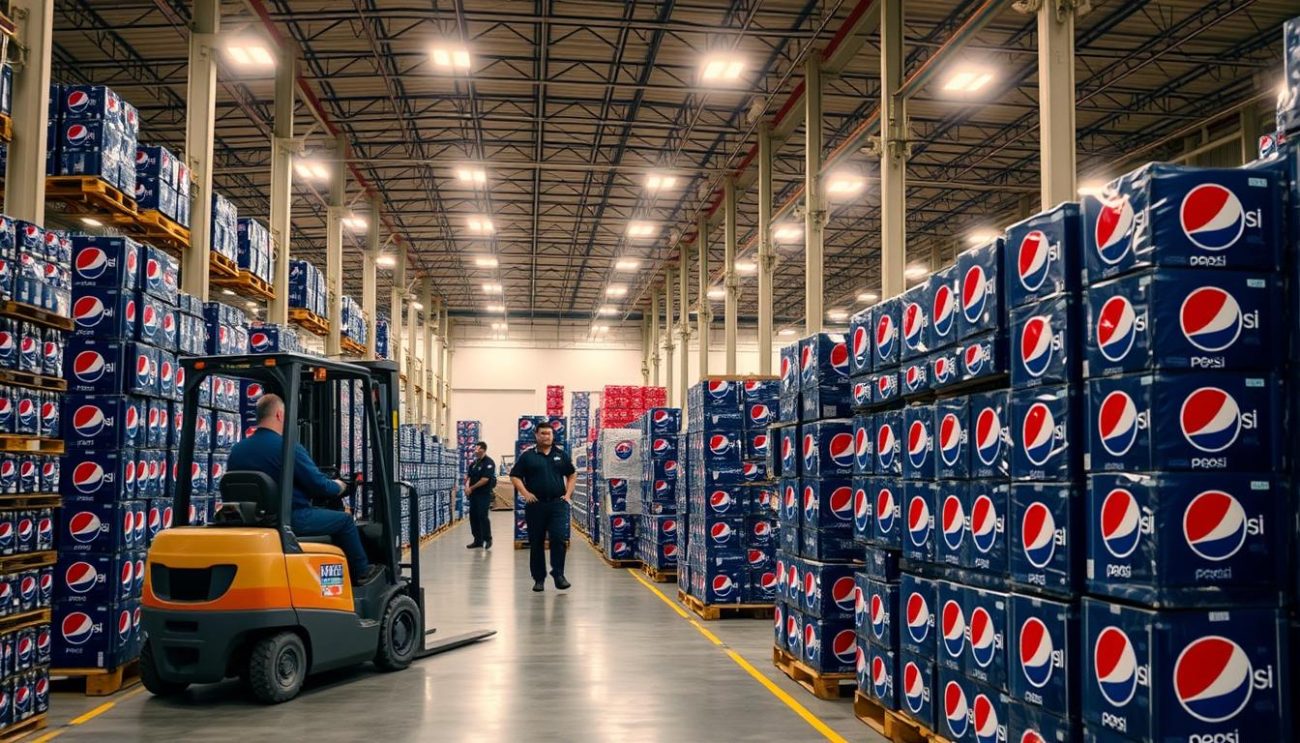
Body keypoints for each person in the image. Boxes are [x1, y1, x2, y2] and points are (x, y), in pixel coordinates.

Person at [227, 393, 383, 585]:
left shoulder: (237, 450)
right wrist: (339, 485)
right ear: (279, 415)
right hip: (290, 519)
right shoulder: (287, 448)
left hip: (251, 520)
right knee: (344, 521)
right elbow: (319, 485)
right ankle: (361, 572)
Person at [509, 423, 576, 592]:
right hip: (536, 505)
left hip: (557, 504)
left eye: (549, 433)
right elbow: (515, 476)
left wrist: (567, 495)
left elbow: (572, 473)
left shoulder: (561, 455)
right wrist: (525, 493)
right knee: (536, 542)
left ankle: (559, 574)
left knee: (559, 539)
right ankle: (539, 579)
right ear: (536, 435)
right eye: (543, 433)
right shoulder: (528, 456)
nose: (547, 436)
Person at [464, 441, 497, 549]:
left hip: (483, 494)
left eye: (477, 449)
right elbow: (468, 477)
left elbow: (485, 480)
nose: (475, 451)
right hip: (473, 495)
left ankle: (488, 539)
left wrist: (471, 488)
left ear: (483, 449)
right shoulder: (474, 464)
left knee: (482, 516)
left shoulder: (489, 463)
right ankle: (477, 540)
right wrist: (467, 487)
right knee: (473, 517)